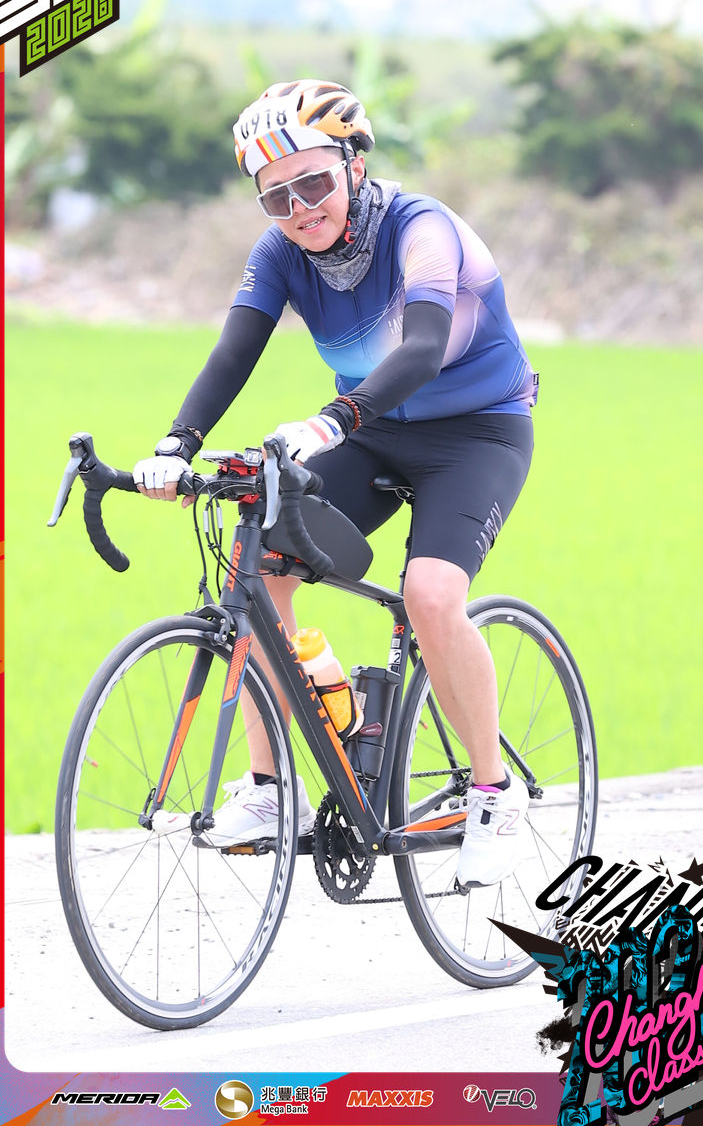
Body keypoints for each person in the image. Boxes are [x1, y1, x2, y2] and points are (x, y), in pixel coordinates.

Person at [133, 79, 539, 888]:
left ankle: (495, 796)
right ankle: (270, 786)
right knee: (261, 564)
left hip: (476, 432)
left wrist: (331, 420)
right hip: (374, 432)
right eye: (275, 196)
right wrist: (177, 443)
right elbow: (233, 353)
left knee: (430, 595)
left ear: (354, 164)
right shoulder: (280, 252)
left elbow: (421, 347)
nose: (298, 209)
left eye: (312, 183)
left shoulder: (422, 229)